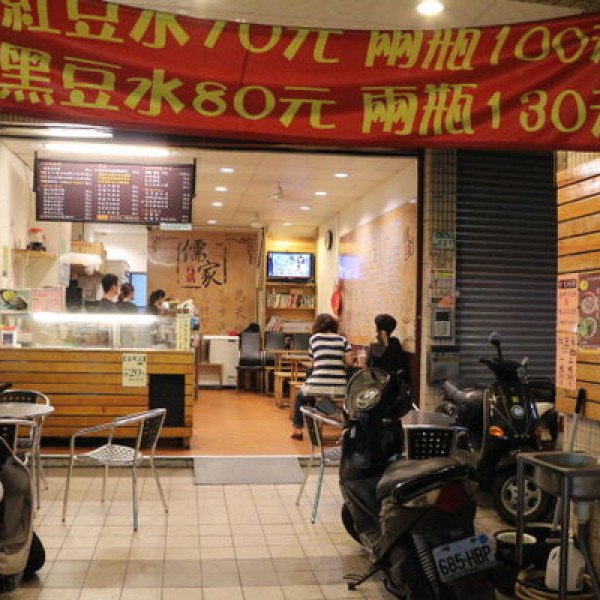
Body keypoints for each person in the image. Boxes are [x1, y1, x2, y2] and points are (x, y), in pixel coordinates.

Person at [291, 313, 353, 441]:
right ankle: (326, 409)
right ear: (334, 326)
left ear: (317, 326)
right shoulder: (343, 340)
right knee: (320, 397)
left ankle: (298, 430)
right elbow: (350, 362)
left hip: (317, 385)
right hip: (339, 387)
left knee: (300, 397)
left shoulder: (314, 339)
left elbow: (313, 364)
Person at [367, 313, 410, 383]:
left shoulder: (375, 343)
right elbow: (399, 363)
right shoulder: (395, 342)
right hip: (393, 381)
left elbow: (369, 363)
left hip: (378, 382)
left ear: (377, 329)